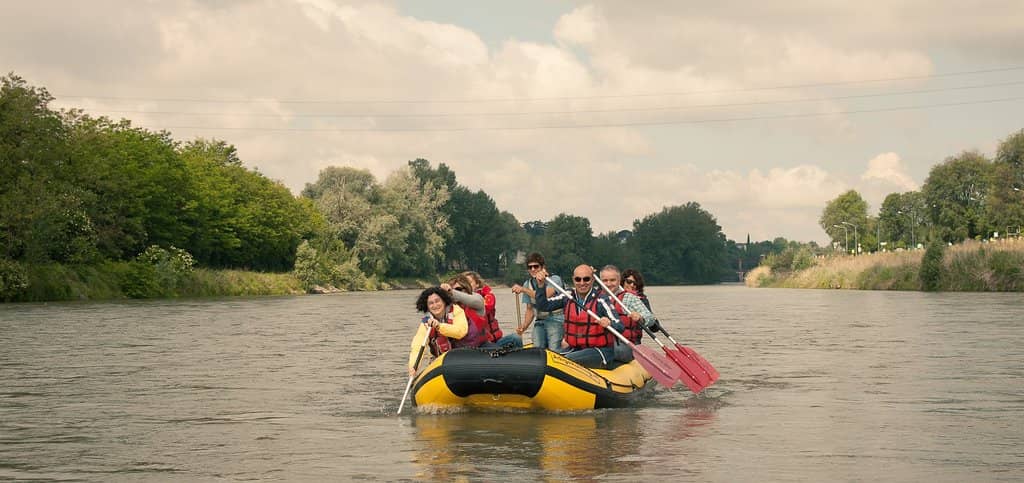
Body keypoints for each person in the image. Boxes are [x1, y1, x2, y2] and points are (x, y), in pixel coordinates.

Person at [533, 264, 621, 369]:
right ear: (573, 280)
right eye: (578, 279)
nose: (582, 283)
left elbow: (619, 325)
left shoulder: (601, 299)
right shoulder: (568, 295)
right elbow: (543, 306)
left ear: (593, 280)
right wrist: (541, 285)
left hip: (599, 351)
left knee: (564, 361)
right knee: (549, 358)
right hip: (575, 348)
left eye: (586, 279)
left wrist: (609, 323)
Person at [407, 286, 483, 376]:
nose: (435, 305)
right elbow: (417, 346)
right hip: (444, 362)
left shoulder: (457, 311)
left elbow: (460, 332)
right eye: (431, 303)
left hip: (465, 356)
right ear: (427, 306)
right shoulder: (426, 323)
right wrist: (413, 366)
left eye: (437, 301)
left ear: (444, 301)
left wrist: (439, 326)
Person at [598, 265, 655, 363]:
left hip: (625, 344)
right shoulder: (595, 297)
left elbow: (650, 318)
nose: (609, 284)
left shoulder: (629, 298)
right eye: (605, 280)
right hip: (601, 342)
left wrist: (640, 317)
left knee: (610, 349)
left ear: (619, 280)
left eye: (612, 280)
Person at [511, 253, 565, 351]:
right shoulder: (527, 284)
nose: (533, 269)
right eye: (530, 267)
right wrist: (524, 327)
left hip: (557, 319)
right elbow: (530, 310)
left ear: (543, 267)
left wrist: (523, 290)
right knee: (537, 348)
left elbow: (547, 294)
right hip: (540, 320)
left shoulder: (554, 279)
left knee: (554, 349)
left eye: (536, 266)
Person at [462, 271, 521, 348]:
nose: (467, 285)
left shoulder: (486, 296)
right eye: (464, 283)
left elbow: (488, 306)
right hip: (481, 344)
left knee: (516, 338)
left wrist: (487, 291)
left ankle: (519, 355)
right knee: (494, 348)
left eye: (469, 282)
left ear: (477, 284)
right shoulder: (460, 302)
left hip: (495, 341)